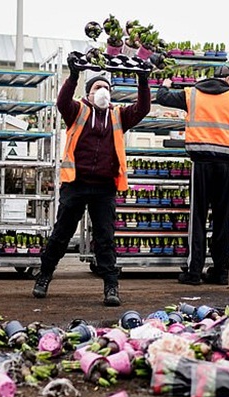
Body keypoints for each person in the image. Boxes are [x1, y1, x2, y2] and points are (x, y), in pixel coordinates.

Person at [32, 52, 151, 306]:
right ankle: (44, 276)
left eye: (106, 88)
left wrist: (143, 81)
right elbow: (62, 102)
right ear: (88, 93)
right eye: (98, 87)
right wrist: (73, 75)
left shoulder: (118, 115)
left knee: (105, 238)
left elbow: (143, 109)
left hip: (105, 188)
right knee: (61, 235)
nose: (103, 91)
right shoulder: (78, 111)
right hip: (76, 184)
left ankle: (111, 286)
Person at [156, 65, 229, 285]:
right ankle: (220, 273)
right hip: (223, 165)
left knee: (198, 218)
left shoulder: (192, 94)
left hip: (200, 164)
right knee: (222, 220)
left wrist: (165, 83)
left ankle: (194, 272)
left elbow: (162, 97)